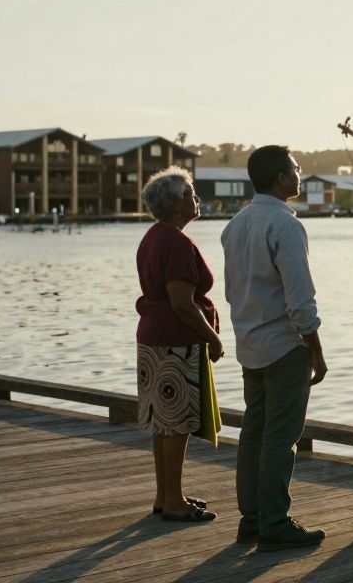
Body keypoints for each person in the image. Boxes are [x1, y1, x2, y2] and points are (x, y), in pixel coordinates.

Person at [222, 145, 329, 552]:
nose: (300, 173)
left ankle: (251, 520)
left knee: (254, 433)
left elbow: (234, 291)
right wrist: (316, 349)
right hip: (284, 346)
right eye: (296, 168)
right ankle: (275, 523)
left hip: (250, 344)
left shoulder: (235, 225)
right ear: (283, 177)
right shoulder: (285, 225)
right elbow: (300, 299)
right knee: (281, 438)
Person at [135, 166, 223, 523]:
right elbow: (183, 303)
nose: (195, 198)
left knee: (163, 422)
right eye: (189, 194)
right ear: (174, 204)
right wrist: (213, 337)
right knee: (176, 423)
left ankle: (167, 495)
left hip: (153, 337)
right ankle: (173, 501)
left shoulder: (154, 236)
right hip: (174, 341)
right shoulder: (175, 242)